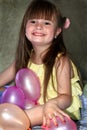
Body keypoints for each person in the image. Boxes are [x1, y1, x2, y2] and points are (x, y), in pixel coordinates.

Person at [0, 0, 82, 129]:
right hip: (32, 104)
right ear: (25, 28)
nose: (38, 26)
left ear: (57, 32)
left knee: (35, 112)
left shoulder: (60, 60)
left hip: (58, 108)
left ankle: (14, 121)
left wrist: (51, 104)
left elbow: (66, 98)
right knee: (3, 90)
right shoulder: (25, 57)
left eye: (46, 23)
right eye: (33, 21)